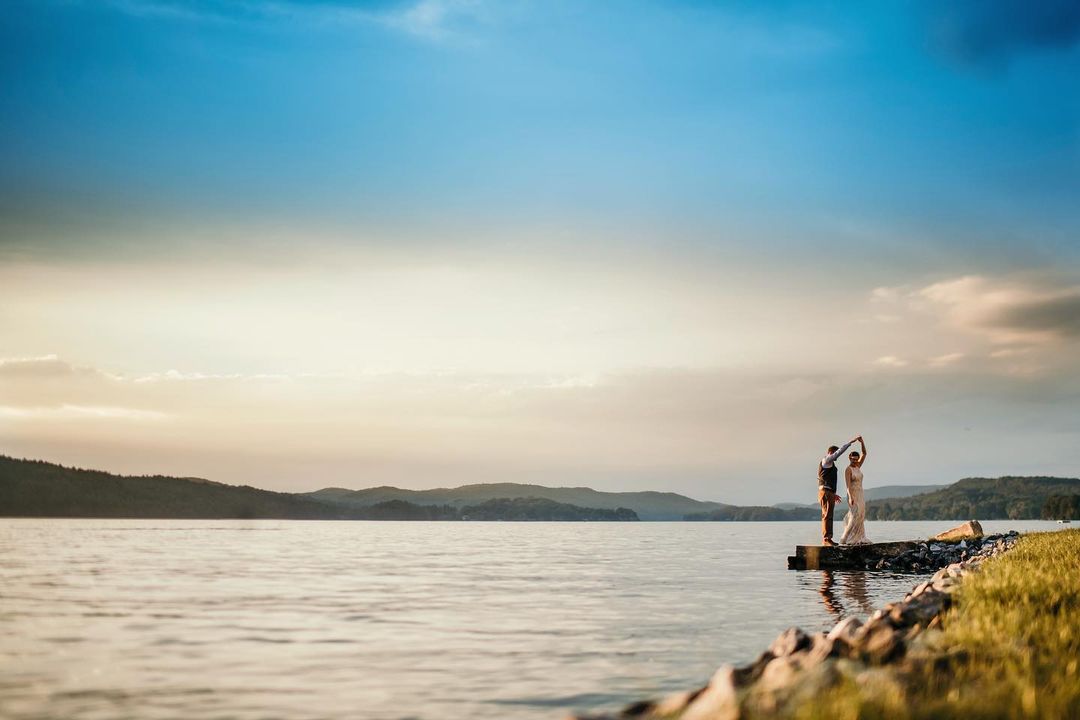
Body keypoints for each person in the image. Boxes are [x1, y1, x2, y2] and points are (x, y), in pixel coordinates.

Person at [818, 435, 860, 546]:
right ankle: (827, 539)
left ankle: (827, 538)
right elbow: (838, 453)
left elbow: (827, 479)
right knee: (827, 515)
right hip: (826, 491)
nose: (837, 457)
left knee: (828, 515)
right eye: (835, 454)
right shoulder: (827, 460)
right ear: (831, 452)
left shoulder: (829, 464)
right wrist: (850, 442)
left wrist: (833, 494)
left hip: (828, 491)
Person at [840, 437, 870, 545]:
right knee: (854, 515)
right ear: (849, 457)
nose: (854, 460)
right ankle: (844, 539)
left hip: (860, 493)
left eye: (856, 459)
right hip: (852, 493)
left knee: (861, 515)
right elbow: (847, 485)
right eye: (852, 459)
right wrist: (850, 496)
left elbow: (865, 453)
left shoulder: (858, 466)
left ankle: (859, 538)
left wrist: (862, 442)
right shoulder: (848, 469)